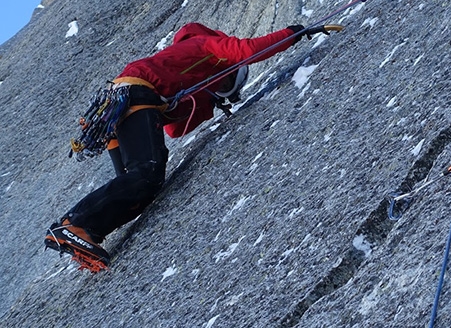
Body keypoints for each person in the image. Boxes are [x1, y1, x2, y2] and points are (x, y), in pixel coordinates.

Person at [44, 22, 313, 271]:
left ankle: (87, 233)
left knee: (141, 190)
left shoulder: (181, 66)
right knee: (147, 173)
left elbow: (175, 129)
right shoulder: (205, 45)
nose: (223, 83)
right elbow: (249, 50)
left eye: (226, 87)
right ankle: (73, 224)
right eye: (228, 79)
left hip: (120, 105)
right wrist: (293, 34)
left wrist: (205, 101)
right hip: (135, 95)